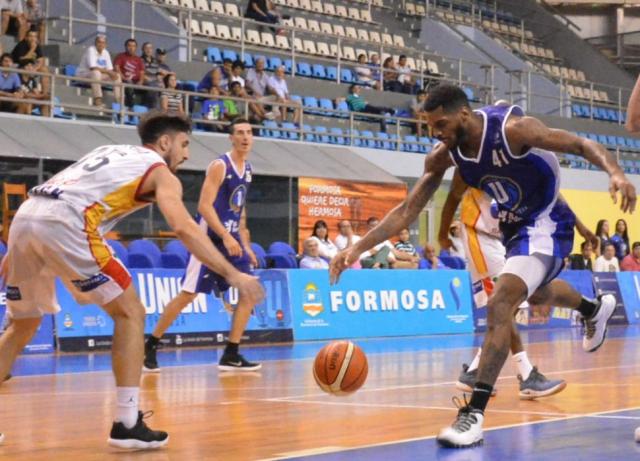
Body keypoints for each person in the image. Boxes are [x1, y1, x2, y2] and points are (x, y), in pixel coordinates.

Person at [330, 83, 634, 448]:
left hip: (547, 220)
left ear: (463, 114)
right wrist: (356, 249)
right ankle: (593, 309)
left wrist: (615, 173)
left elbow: (580, 144)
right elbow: (408, 210)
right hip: (513, 226)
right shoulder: (444, 155)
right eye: (430, 127)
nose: (435, 134)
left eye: (440, 124)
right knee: (535, 293)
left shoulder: (513, 130)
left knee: (501, 301)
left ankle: (473, 415)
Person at [0, 112, 264, 448]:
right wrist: (232, 273)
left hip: (28, 215)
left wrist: (21, 245)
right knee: (131, 313)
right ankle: (126, 422)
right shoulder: (161, 172)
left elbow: (64, 190)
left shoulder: (109, 151)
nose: (186, 154)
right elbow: (184, 227)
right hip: (67, 222)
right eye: (184, 144)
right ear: (165, 142)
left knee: (22, 325)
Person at [144, 118, 262, 373]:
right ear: (231, 138)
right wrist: (225, 235)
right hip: (208, 239)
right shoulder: (220, 166)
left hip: (231, 240)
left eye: (249, 132)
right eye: (240, 132)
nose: (245, 137)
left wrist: (245, 244)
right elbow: (204, 207)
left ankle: (231, 353)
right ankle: (150, 345)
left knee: (249, 291)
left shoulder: (248, 169)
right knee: (188, 295)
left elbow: (239, 211)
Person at [439, 170, 567, 400]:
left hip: (498, 238)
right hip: (479, 235)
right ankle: (526, 376)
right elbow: (455, 194)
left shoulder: (522, 166)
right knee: (505, 305)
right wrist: (442, 233)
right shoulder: (481, 161)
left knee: (508, 306)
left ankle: (475, 372)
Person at [76, 35, 122, 107]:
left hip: (98, 77)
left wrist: (112, 73)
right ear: (95, 43)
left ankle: (118, 102)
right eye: (99, 42)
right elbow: (93, 68)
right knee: (96, 73)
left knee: (117, 76)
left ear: (105, 45)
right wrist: (109, 72)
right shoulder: (91, 50)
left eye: (103, 43)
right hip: (83, 75)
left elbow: (110, 69)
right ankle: (98, 99)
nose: (101, 44)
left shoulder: (106, 52)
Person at [11, 29, 49, 95]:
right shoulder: (21, 45)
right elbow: (23, 61)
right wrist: (32, 49)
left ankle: (44, 93)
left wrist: (35, 69)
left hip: (29, 67)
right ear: (26, 37)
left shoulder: (37, 45)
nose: (33, 38)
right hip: (18, 66)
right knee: (27, 67)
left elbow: (41, 60)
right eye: (30, 36)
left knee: (44, 69)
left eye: (35, 36)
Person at [114, 38, 145, 108]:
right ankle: (131, 107)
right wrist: (123, 78)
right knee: (129, 84)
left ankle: (149, 109)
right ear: (125, 47)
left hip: (136, 82)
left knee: (151, 89)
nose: (131, 48)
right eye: (129, 46)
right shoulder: (121, 56)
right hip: (125, 80)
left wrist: (141, 81)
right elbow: (116, 68)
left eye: (133, 46)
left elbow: (142, 72)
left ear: (136, 48)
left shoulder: (138, 59)